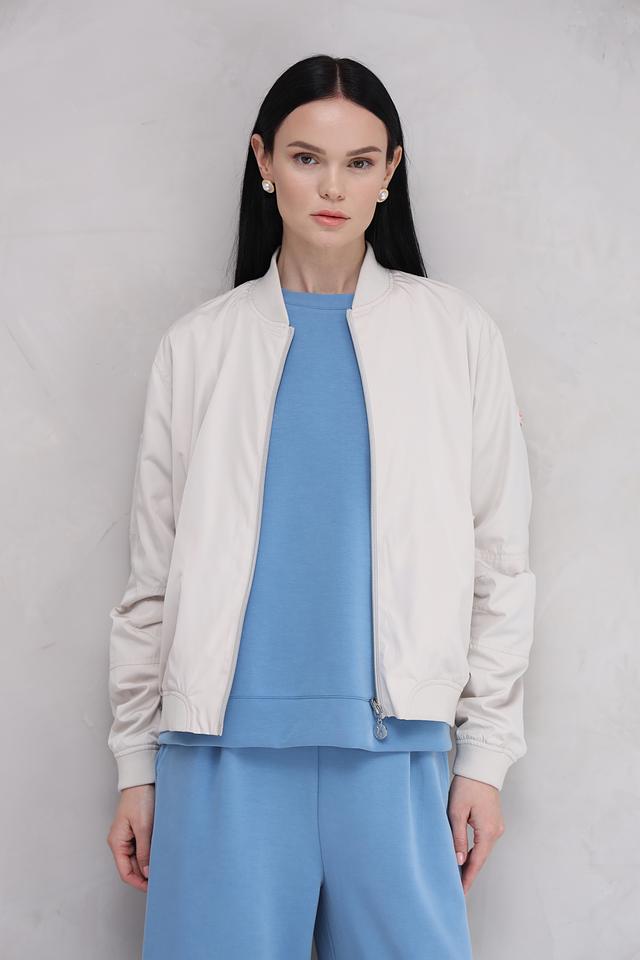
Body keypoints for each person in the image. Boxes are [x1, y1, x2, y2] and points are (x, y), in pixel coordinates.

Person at [106, 54, 536, 959]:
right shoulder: (199, 346)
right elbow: (153, 577)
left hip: (398, 753)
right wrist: (136, 765)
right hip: (219, 756)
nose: (333, 187)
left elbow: (499, 564)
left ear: (390, 172)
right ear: (264, 161)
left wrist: (486, 758)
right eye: (307, 158)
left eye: (358, 161)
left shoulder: (455, 336)